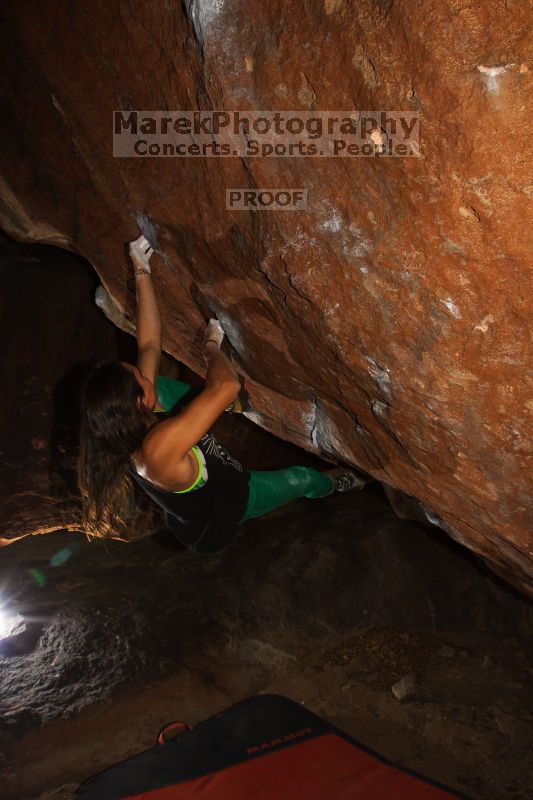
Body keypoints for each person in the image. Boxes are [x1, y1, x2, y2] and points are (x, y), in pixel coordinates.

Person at [78, 235, 367, 552]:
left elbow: (148, 345)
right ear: (137, 402)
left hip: (204, 459)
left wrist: (141, 269)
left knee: (158, 384)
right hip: (230, 500)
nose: (141, 372)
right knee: (303, 478)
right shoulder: (155, 452)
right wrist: (212, 348)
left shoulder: (137, 413)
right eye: (137, 378)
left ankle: (218, 407)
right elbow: (227, 384)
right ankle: (333, 485)